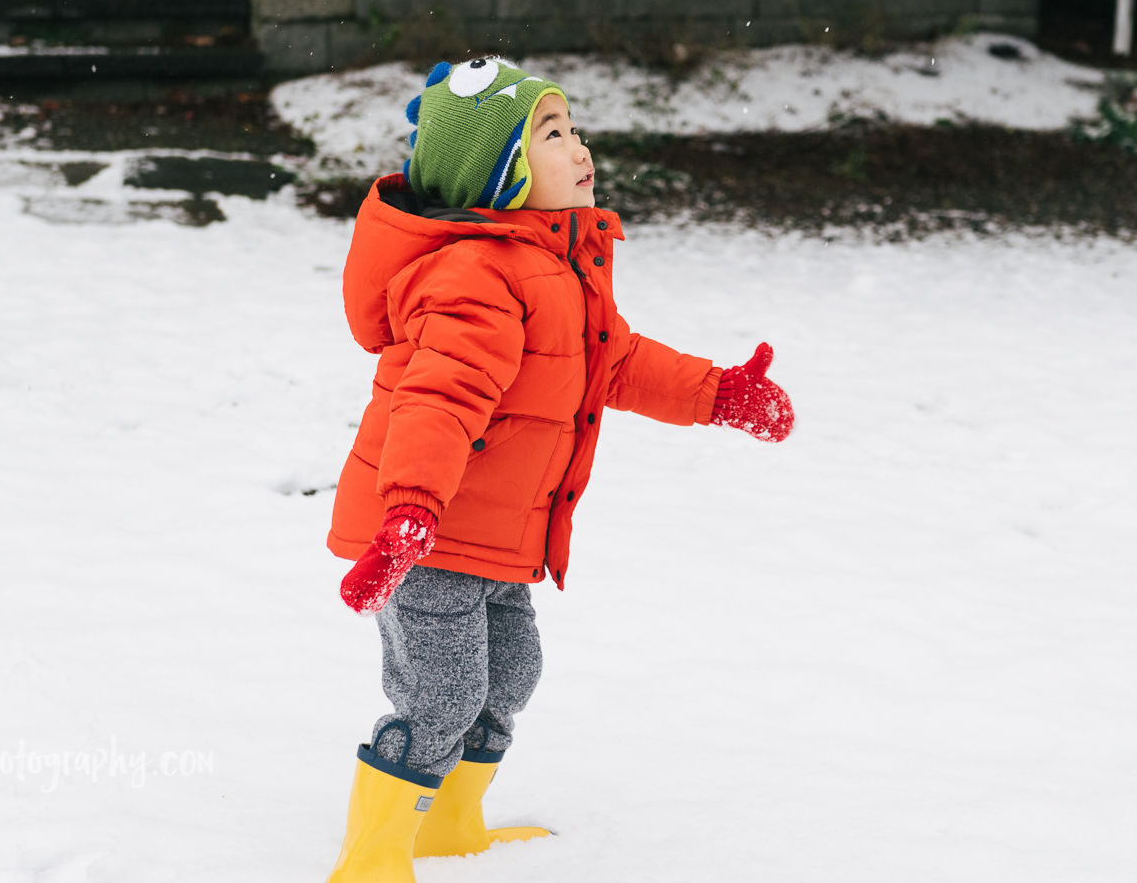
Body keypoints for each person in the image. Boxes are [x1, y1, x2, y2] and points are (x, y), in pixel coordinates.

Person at [322, 57, 796, 881]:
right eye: (551, 135)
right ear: (500, 173)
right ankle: (371, 860)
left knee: (512, 674)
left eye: (573, 128)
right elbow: (438, 400)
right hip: (427, 537)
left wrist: (718, 393)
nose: (579, 147)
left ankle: (449, 826)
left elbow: (615, 362)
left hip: (498, 538)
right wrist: (408, 512)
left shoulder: (557, 267)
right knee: (440, 697)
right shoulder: (475, 276)